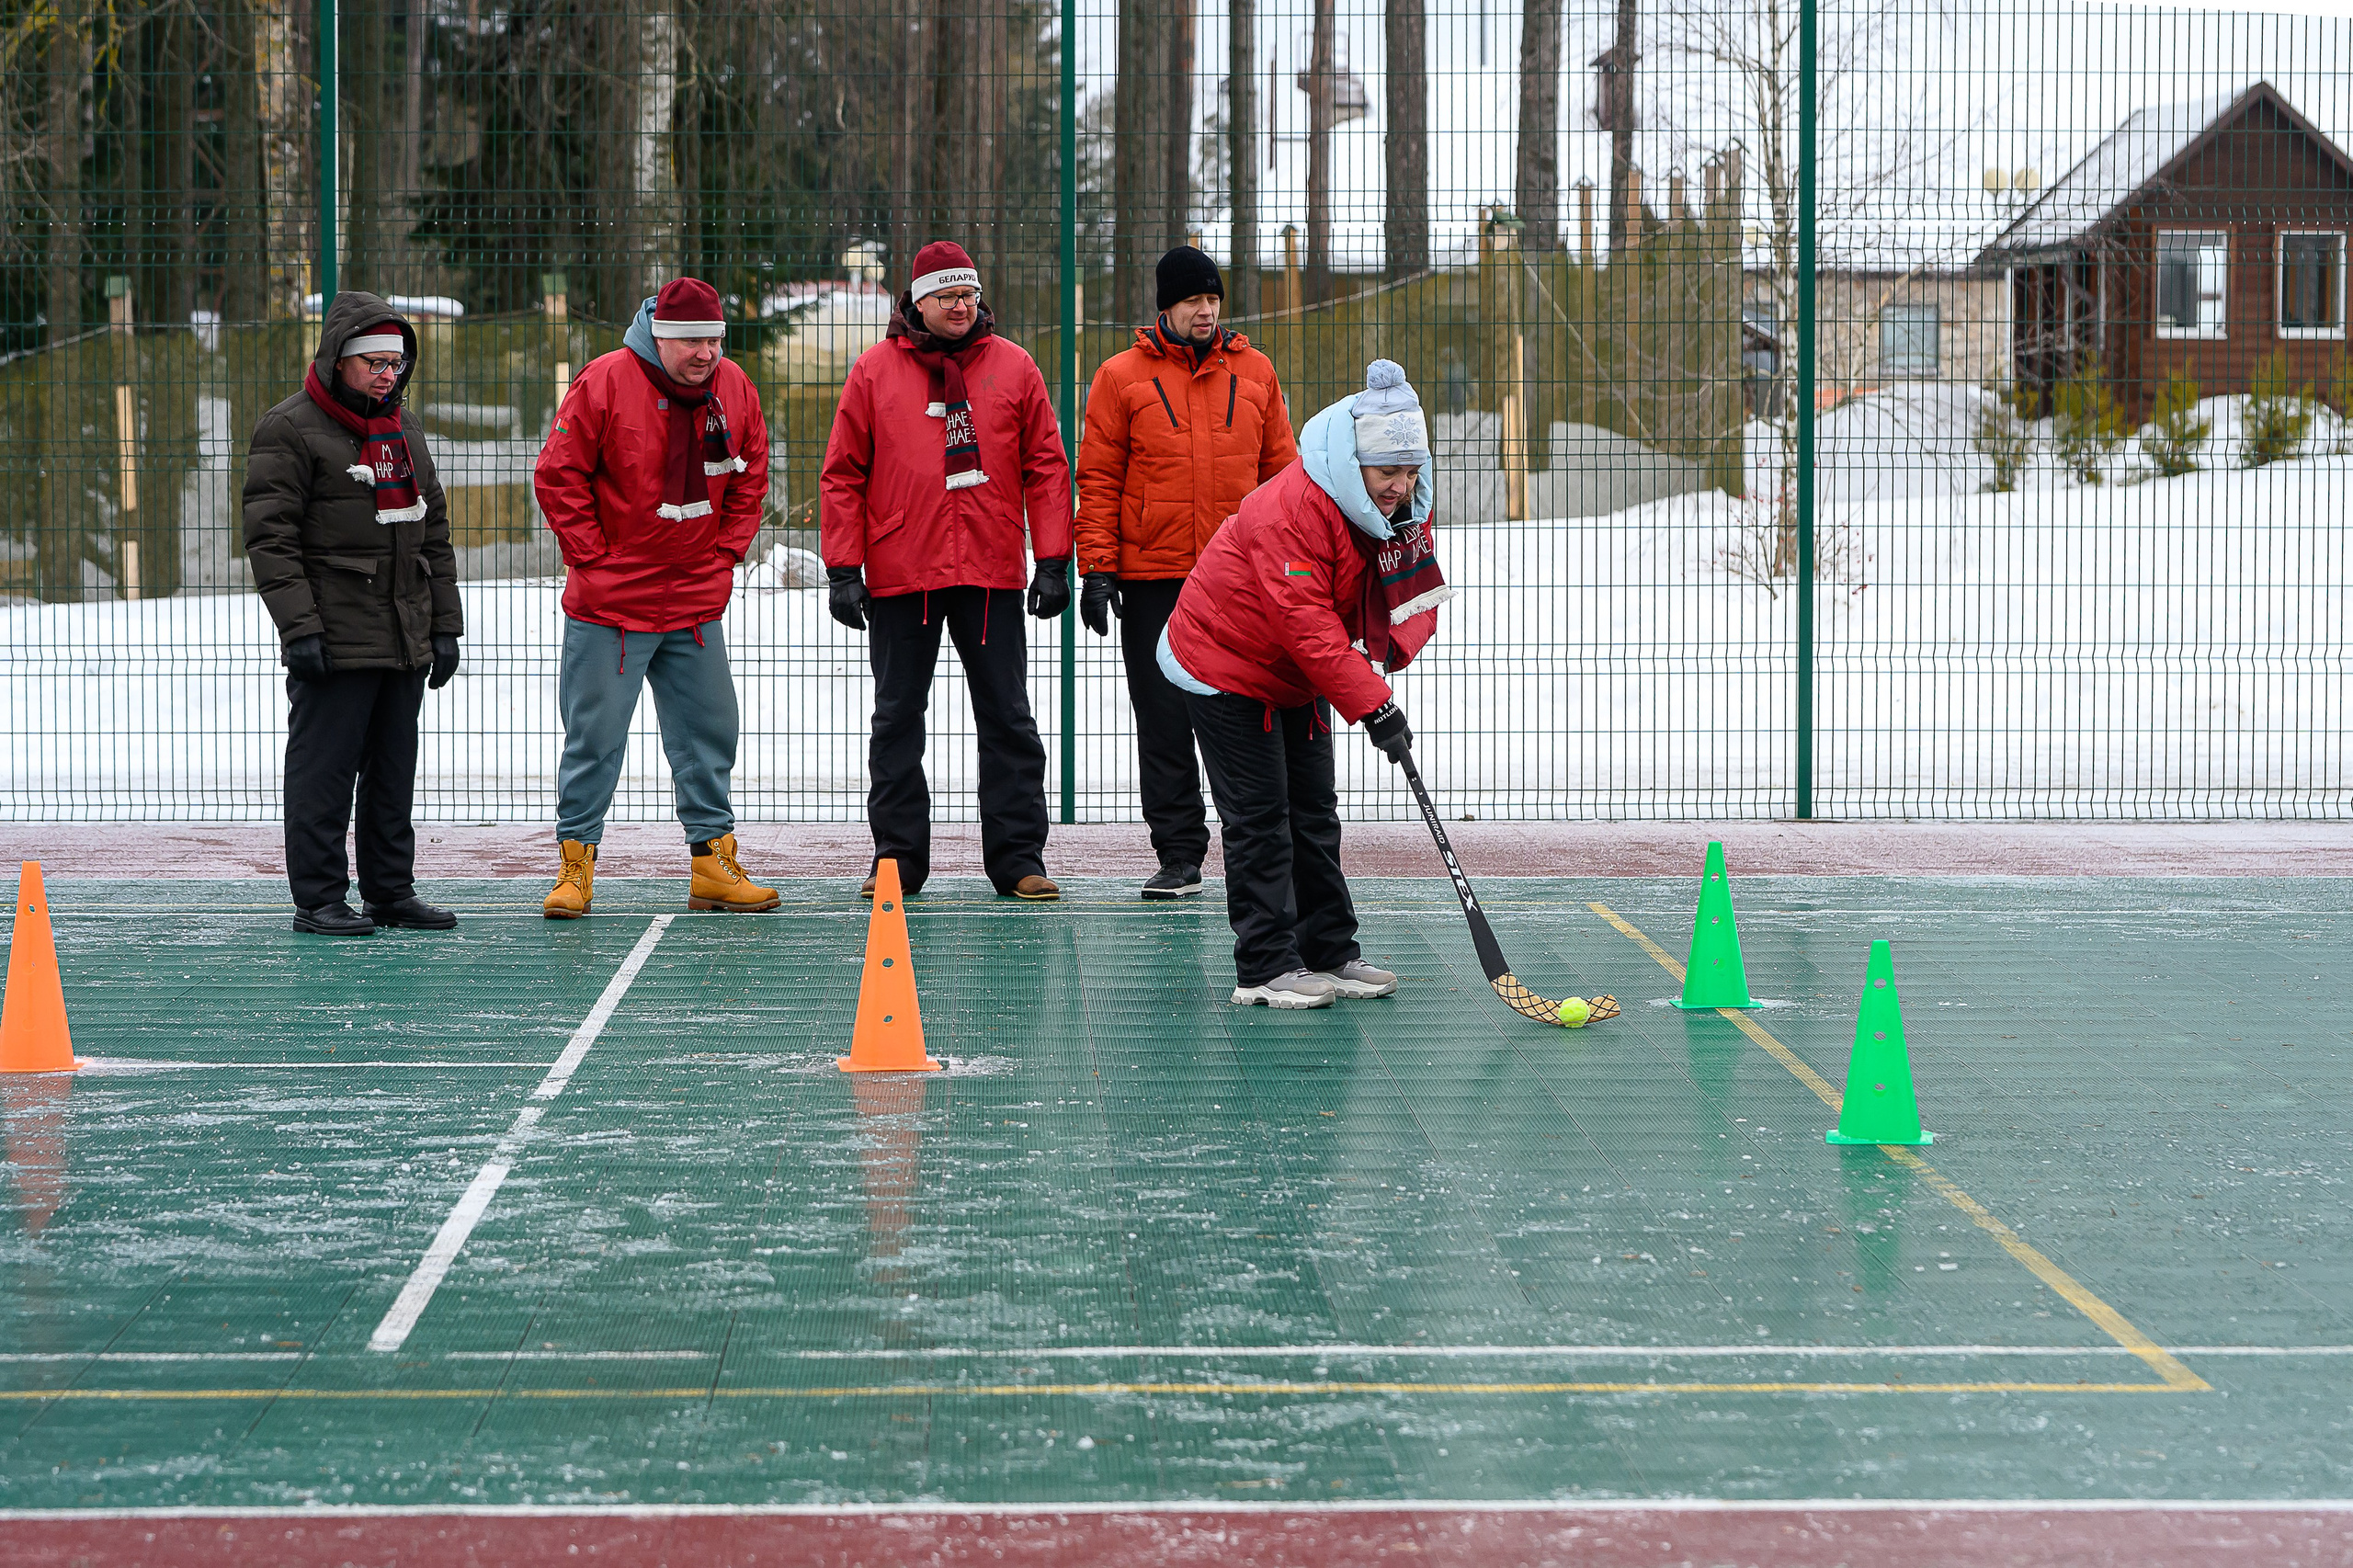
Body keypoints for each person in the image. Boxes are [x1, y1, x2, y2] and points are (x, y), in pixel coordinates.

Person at [1160, 360, 1449, 1008]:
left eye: (1410, 472)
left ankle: (1330, 951)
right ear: (1354, 463)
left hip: (1297, 669)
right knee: (1261, 817)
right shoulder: (1292, 509)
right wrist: (1375, 707)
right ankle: (1264, 967)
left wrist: (1380, 672)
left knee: (1314, 811)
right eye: (1386, 473)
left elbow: (1404, 592)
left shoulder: (1396, 510)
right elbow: (1307, 622)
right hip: (1225, 661)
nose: (1400, 487)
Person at [820, 241, 1073, 901]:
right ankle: (898, 858)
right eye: (947, 297)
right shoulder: (874, 372)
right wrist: (843, 568)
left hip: (990, 569)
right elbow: (843, 474)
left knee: (1009, 717)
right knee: (897, 718)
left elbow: (1046, 465)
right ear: (918, 302)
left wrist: (1051, 557)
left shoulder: (1015, 367)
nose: (962, 306)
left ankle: (1019, 858)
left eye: (969, 295)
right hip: (904, 573)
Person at [532, 277, 776, 918]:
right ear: (659, 338)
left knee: (710, 732)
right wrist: (594, 558)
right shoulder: (606, 381)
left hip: (695, 599)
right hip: (611, 605)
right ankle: (575, 867)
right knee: (595, 738)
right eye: (693, 341)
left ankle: (713, 864)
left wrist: (726, 555)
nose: (707, 353)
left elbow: (752, 471)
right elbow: (558, 475)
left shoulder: (735, 388)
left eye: (715, 340)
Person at [1075, 245, 1297, 901]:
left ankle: (1254, 844)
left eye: (1213, 299)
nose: (1205, 311)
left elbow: (1281, 475)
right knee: (1164, 719)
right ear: (1164, 307)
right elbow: (1099, 478)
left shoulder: (1255, 372)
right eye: (1192, 300)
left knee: (1245, 715)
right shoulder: (1120, 377)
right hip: (1155, 578)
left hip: (1240, 577)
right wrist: (1098, 569)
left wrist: (1288, 563)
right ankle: (1178, 855)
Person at [244, 291, 464, 937]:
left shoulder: (405, 430)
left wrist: (444, 626)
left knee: (393, 774)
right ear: (338, 360)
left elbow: (434, 535)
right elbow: (270, 540)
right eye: (372, 361)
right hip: (335, 637)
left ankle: (391, 893)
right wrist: (300, 628)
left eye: (395, 362)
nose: (386, 373)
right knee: (324, 774)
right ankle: (318, 900)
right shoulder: (287, 428)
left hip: (403, 636)